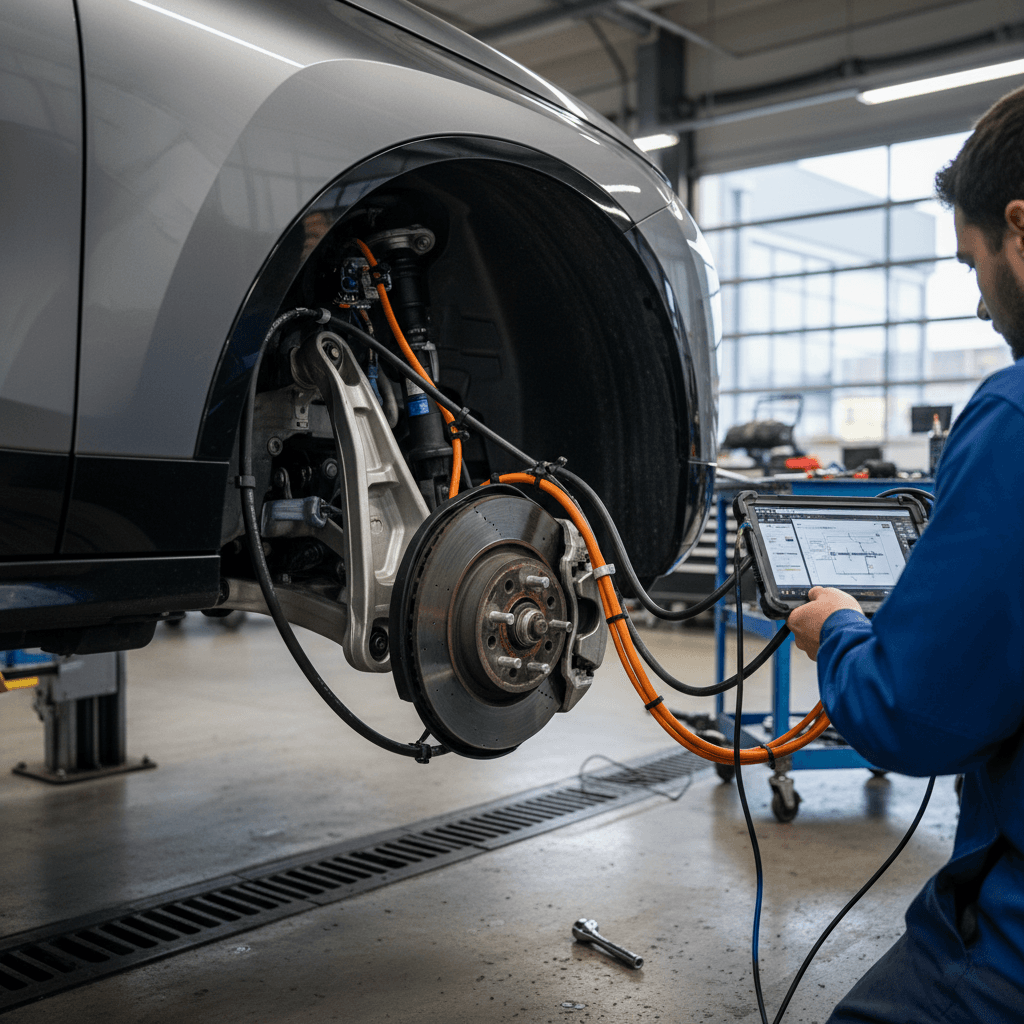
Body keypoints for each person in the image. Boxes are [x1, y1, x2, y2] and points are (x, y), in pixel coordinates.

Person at [787, 85, 1024, 1023]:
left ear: (1019, 226)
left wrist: (842, 630)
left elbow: (910, 717)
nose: (978, 303)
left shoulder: (1013, 416)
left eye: (973, 264)